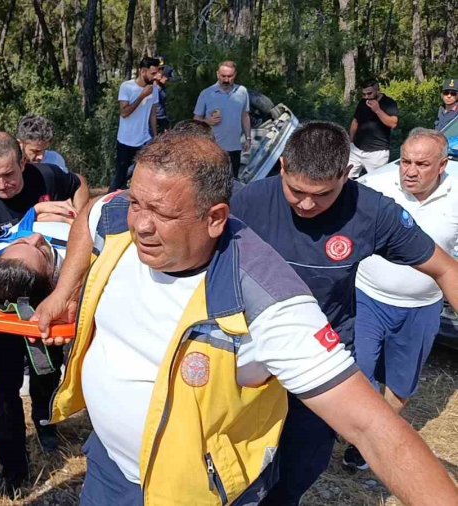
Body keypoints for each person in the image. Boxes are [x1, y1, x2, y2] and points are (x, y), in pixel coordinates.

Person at [31, 132, 458, 506]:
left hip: (195, 492)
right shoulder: (122, 216)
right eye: (138, 203)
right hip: (109, 471)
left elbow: (372, 429)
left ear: (215, 218)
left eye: (161, 214)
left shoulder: (267, 298)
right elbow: (95, 213)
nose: (140, 224)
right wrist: (62, 293)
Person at [228, 121, 458, 505]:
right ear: (283, 166)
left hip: (323, 352)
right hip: (253, 351)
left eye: (321, 195)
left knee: (305, 459)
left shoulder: (371, 212)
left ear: (346, 175)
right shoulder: (249, 203)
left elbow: (445, 268)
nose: (305, 204)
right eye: (296, 191)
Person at [0, 131, 86, 494]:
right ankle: (13, 467)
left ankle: (45, 421)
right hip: (3, 308)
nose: (1, 184)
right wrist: (31, 219)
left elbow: (78, 183)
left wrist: (78, 218)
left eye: (8, 175)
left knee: (47, 370)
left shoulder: (47, 176)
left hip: (51, 297)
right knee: (4, 388)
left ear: (24, 163)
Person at [344, 129, 458, 470]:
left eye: (421, 164)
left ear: (442, 165)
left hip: (422, 309)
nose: (410, 171)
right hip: (366, 298)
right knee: (357, 376)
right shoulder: (375, 185)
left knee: (401, 384)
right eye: (405, 161)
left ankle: (369, 440)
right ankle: (361, 434)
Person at [194, 60, 251, 179]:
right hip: (213, 148)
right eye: (223, 76)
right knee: (213, 183)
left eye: (229, 76)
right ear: (217, 74)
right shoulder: (206, 93)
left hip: (234, 148)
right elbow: (196, 119)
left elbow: (244, 115)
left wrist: (248, 138)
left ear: (235, 75)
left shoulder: (242, 92)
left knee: (232, 182)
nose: (226, 80)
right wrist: (207, 121)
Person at [112, 56, 162, 191]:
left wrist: (155, 136)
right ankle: (109, 201)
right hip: (126, 139)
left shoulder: (154, 88)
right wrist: (142, 96)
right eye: (152, 73)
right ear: (143, 72)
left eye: (157, 73)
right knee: (120, 177)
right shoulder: (127, 87)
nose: (155, 76)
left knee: (145, 174)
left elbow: (152, 112)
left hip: (144, 139)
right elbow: (124, 113)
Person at [348, 78, 399, 178]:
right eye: (363, 94)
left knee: (376, 182)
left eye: (369, 93)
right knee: (345, 179)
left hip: (377, 153)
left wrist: (377, 110)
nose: (366, 97)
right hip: (356, 150)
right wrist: (350, 140)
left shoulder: (389, 103)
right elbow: (355, 121)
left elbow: (393, 124)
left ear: (377, 90)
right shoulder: (363, 102)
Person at [148, 65, 173, 136]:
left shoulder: (162, 87)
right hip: (155, 120)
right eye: (166, 78)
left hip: (162, 118)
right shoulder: (152, 87)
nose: (167, 80)